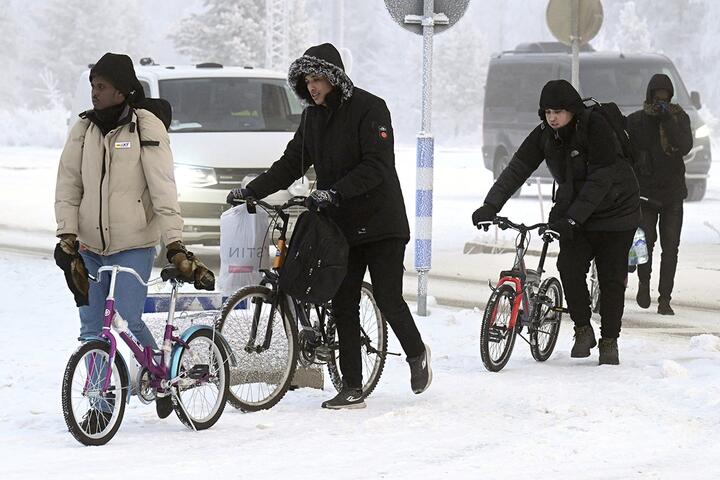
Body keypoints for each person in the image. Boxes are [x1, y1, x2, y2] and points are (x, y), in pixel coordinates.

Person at [227, 43, 432, 409]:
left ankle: (416, 353)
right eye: (306, 80)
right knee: (343, 302)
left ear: (335, 77)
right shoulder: (312, 119)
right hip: (340, 226)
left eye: (317, 78)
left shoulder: (371, 108)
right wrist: (251, 191)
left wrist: (334, 192)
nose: (312, 86)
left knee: (387, 297)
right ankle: (353, 386)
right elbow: (291, 163)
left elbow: (377, 165)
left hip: (382, 224)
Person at [54, 52, 214, 430]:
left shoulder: (146, 127)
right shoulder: (83, 129)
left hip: (135, 244)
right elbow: (68, 184)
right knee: (93, 328)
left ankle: (158, 368)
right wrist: (67, 234)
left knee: (126, 317)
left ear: (122, 90)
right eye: (92, 85)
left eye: (102, 86)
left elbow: (163, 189)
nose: (94, 93)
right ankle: (99, 402)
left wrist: (174, 244)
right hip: (90, 247)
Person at [471, 79, 641, 365]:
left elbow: (601, 179)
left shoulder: (595, 127)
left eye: (558, 111)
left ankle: (609, 341)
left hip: (616, 212)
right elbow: (518, 168)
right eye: (547, 111)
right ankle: (582, 328)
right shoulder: (546, 135)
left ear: (573, 110)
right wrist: (491, 204)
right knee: (569, 267)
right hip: (575, 211)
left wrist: (572, 219)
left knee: (611, 279)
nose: (552, 117)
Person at [627, 74, 693, 315]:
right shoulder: (636, 121)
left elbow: (684, 146)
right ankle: (644, 284)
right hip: (645, 193)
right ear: (650, 96)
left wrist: (668, 120)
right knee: (645, 244)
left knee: (671, 247)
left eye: (665, 96)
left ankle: (665, 298)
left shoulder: (679, 117)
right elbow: (627, 152)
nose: (661, 100)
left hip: (673, 192)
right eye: (657, 96)